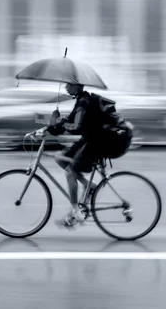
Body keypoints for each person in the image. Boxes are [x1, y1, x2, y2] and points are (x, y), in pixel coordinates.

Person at [47, 83, 133, 228]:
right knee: (60, 159)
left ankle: (75, 211)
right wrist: (51, 125)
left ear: (77, 86)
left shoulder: (84, 101)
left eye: (69, 85)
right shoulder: (81, 100)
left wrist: (58, 124)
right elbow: (70, 122)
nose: (66, 88)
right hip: (94, 138)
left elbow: (76, 127)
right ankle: (90, 186)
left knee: (70, 173)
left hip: (102, 141)